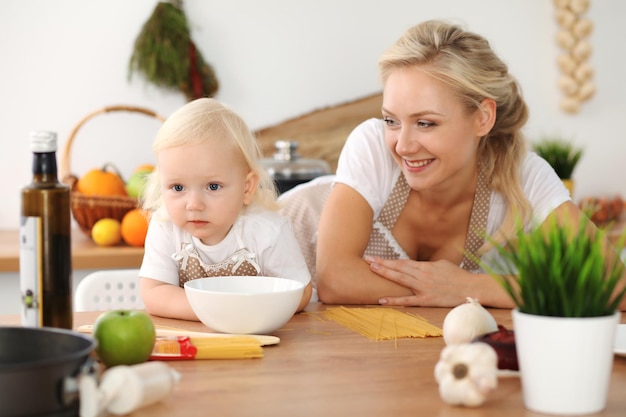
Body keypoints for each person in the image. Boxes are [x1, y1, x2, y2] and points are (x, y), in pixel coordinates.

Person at [279, 19, 626, 309]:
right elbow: (336, 279)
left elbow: (614, 285)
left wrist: (472, 288)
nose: (402, 145)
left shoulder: (522, 176)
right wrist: (447, 291)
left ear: (483, 118)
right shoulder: (372, 146)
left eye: (426, 123)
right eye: (391, 120)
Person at [139, 98, 313, 321]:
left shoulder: (267, 231)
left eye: (213, 186)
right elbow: (155, 293)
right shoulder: (165, 226)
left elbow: (300, 292)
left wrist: (242, 314)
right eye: (178, 187)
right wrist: (219, 314)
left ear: (246, 188)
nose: (193, 204)